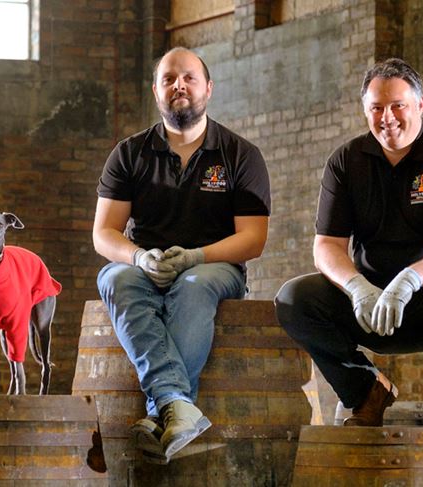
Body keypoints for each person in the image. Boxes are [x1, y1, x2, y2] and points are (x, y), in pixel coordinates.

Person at [274, 58, 423, 428]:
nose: (388, 117)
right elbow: (326, 246)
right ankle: (367, 391)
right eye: (376, 108)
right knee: (293, 298)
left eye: (398, 106)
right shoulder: (345, 162)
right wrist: (356, 287)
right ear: (365, 111)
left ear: (420, 105)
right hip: (371, 308)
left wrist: (410, 279)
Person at [92, 47, 271, 460]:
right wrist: (138, 257)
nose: (180, 85)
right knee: (114, 277)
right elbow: (104, 233)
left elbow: (253, 239)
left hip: (215, 268)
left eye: (189, 77)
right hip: (146, 266)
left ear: (208, 87)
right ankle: (179, 408)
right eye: (169, 78)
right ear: (156, 91)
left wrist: (195, 256)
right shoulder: (129, 154)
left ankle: (164, 404)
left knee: (192, 285)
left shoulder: (241, 155)